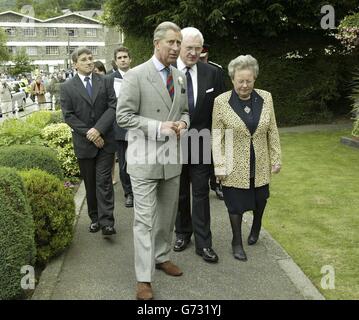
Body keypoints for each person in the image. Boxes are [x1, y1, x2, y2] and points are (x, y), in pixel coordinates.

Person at [116, 21, 189, 300]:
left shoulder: (179, 76)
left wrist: (183, 124)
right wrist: (159, 127)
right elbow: (123, 117)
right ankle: (143, 278)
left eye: (178, 42)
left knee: (167, 216)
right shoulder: (135, 76)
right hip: (143, 159)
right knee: (145, 220)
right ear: (156, 43)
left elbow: (184, 112)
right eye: (171, 42)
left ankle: (161, 256)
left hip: (171, 157)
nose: (176, 47)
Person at [212, 54, 281, 261]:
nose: (244, 85)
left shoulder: (266, 97)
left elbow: (273, 129)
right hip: (233, 164)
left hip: (259, 161)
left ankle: (257, 225)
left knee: (261, 199)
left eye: (248, 81)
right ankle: (236, 242)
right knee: (235, 204)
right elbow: (217, 137)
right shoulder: (221, 102)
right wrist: (220, 166)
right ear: (232, 79)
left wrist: (276, 157)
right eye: (240, 81)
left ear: (254, 79)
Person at [173, 27, 224, 263]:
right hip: (173, 142)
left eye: (197, 48)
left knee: (201, 194)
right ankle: (183, 233)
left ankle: (204, 244)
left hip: (202, 141)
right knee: (180, 193)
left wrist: (223, 150)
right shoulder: (167, 72)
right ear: (179, 46)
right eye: (188, 48)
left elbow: (221, 112)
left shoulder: (212, 73)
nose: (193, 53)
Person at [60, 47, 117, 237]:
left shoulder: (105, 81)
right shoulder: (67, 87)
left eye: (91, 58)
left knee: (104, 181)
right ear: (75, 64)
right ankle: (95, 218)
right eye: (84, 59)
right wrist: (91, 134)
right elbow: (69, 116)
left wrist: (98, 130)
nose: (89, 62)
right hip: (85, 144)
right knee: (90, 184)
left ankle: (107, 221)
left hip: (105, 143)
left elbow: (113, 106)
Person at [199, 43, 226, 200]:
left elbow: (221, 94)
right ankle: (203, 183)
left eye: (204, 57)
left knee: (217, 152)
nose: (201, 59)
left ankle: (217, 184)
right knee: (202, 154)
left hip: (214, 117)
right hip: (199, 120)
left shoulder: (216, 70)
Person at [108, 46, 134, 207]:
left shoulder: (139, 75)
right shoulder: (109, 79)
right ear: (115, 61)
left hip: (138, 126)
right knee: (124, 163)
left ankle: (141, 191)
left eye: (125, 57)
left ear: (130, 59)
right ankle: (129, 193)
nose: (123, 59)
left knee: (141, 161)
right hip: (120, 128)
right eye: (120, 58)